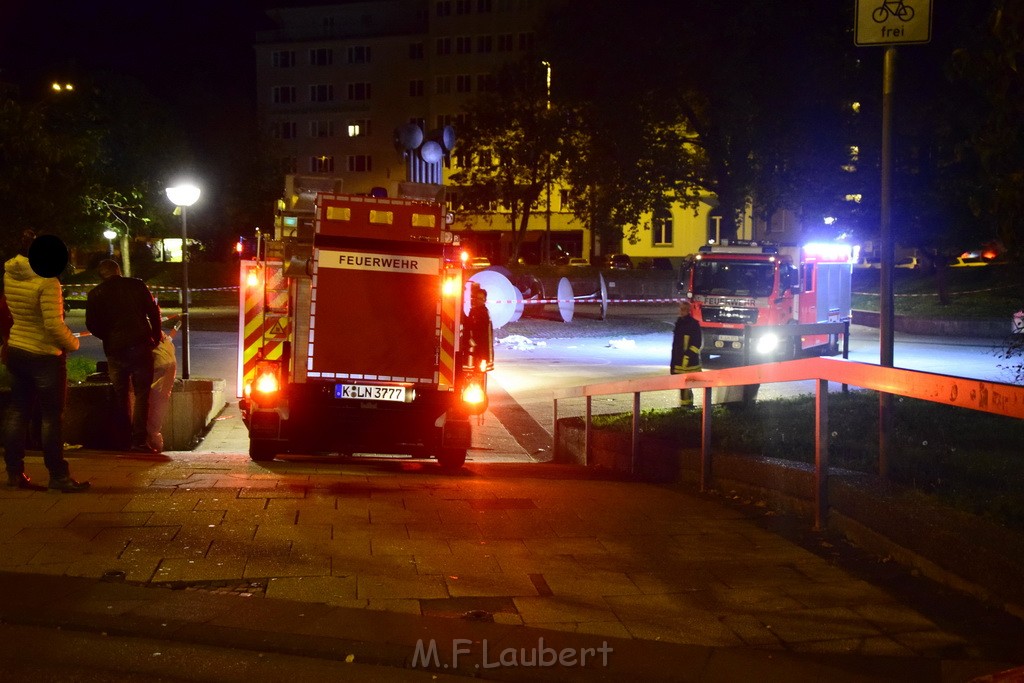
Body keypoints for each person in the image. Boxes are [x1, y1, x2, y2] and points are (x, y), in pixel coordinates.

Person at [3, 230, 89, 492]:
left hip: (16, 347)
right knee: (52, 417)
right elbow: (53, 325)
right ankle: (58, 476)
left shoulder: (10, 273)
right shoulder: (47, 281)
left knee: (17, 412)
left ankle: (15, 473)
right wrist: (72, 343)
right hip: (44, 355)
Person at [85, 259, 163, 453]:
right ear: (118, 270)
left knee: (120, 396)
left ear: (101, 275)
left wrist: (108, 337)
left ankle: (123, 441)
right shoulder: (136, 285)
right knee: (141, 395)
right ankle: (139, 442)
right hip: (140, 346)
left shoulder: (95, 294)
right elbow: (154, 312)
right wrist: (155, 335)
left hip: (115, 350)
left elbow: (92, 325)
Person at [147, 325, 178, 452]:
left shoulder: (135, 329)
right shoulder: (155, 330)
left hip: (159, 364)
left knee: (150, 398)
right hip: (170, 362)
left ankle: (151, 436)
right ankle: (153, 435)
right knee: (161, 398)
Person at [670, 299, 702, 406]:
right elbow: (675, 345)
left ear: (688, 310)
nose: (681, 311)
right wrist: (673, 364)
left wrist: (687, 357)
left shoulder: (693, 324)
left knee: (686, 385)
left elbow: (696, 344)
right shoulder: (679, 323)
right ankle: (684, 406)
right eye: (680, 309)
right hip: (678, 360)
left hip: (689, 362)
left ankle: (687, 407)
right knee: (682, 386)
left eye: (684, 309)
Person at [462, 283, 493, 372]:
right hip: (472, 350)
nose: (478, 300)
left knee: (476, 372)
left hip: (477, 351)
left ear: (484, 300)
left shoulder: (483, 313)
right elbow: (468, 324)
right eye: (477, 298)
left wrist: (483, 357)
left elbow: (483, 336)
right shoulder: (474, 311)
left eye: (481, 299)